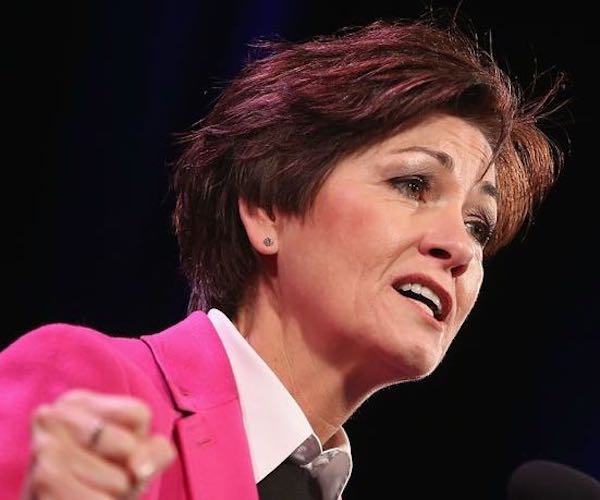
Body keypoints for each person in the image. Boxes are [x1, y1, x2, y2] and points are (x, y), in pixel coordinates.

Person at [0, 16, 564, 500]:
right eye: (413, 185)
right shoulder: (98, 393)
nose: (460, 247)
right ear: (267, 211)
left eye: (478, 226)